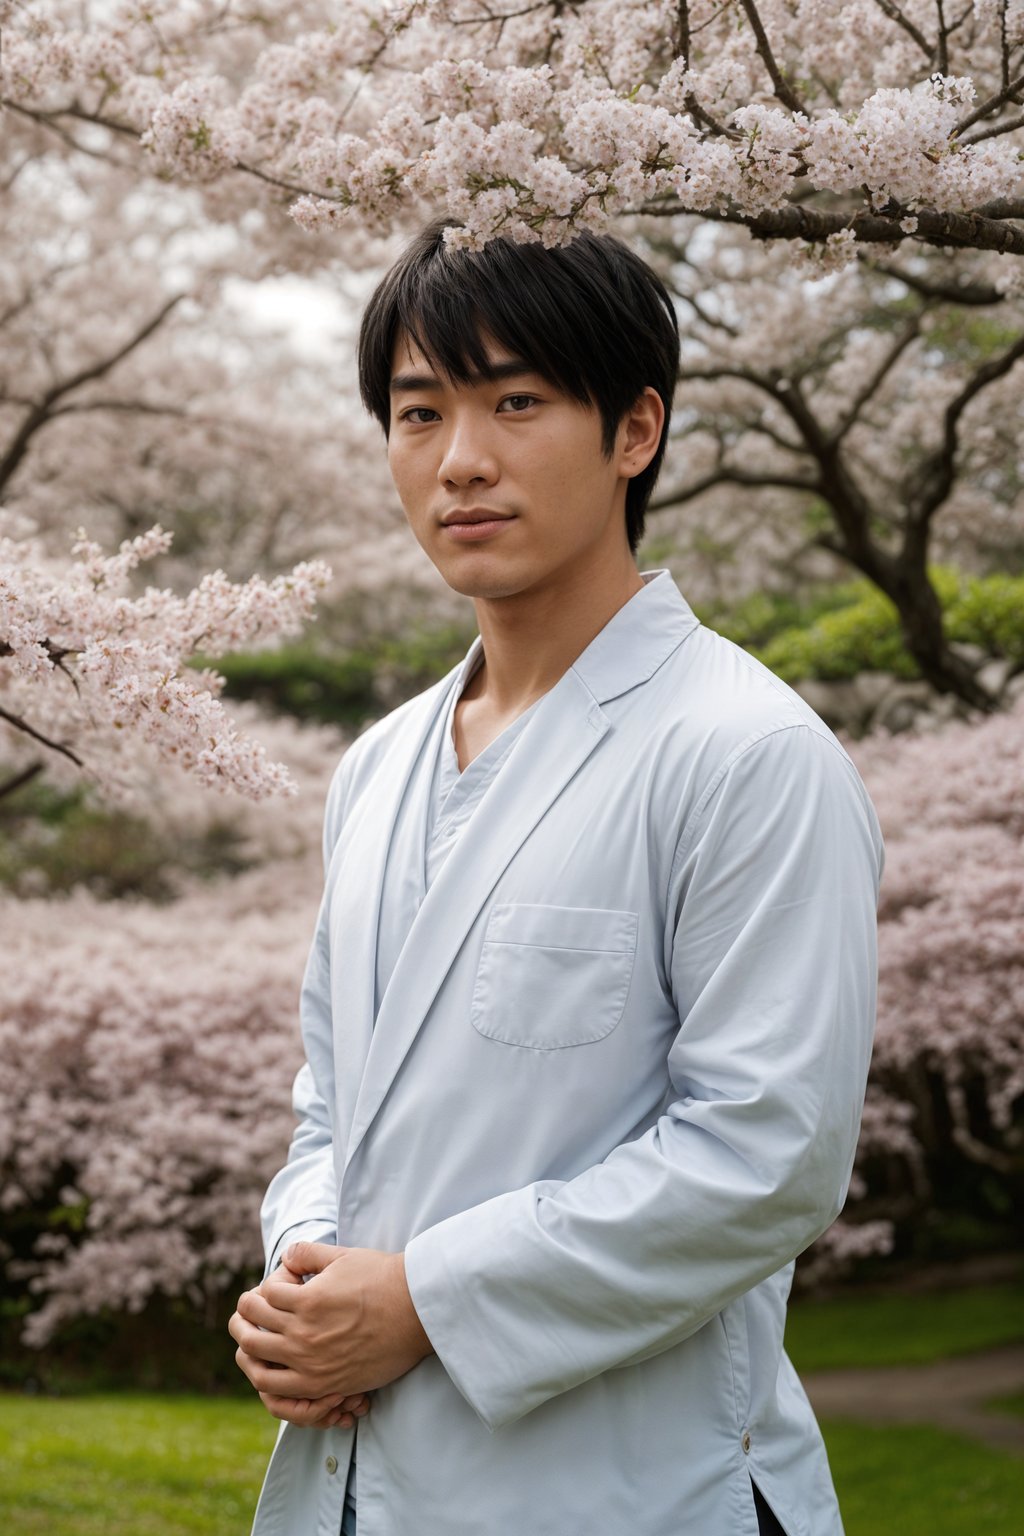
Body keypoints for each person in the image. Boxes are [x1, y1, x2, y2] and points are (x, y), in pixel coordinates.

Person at [229, 219, 884, 1536]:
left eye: (516, 402)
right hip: (364, 1481)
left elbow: (766, 1156)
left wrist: (420, 1301)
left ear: (633, 430)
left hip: (633, 1488)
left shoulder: (743, 751)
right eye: (420, 413)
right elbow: (332, 1106)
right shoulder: (377, 767)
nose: (462, 461)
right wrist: (306, 1271)